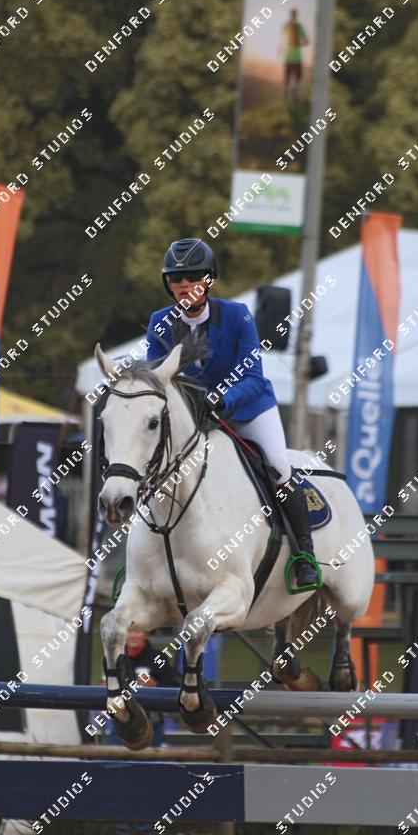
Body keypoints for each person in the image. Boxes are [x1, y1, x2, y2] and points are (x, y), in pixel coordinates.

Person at [146, 237, 320, 589]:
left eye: (193, 278)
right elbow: (155, 378)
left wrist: (222, 400)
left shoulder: (237, 315)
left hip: (248, 410)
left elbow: (252, 376)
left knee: (278, 467)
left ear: (208, 280)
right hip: (196, 417)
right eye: (176, 279)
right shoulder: (160, 322)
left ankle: (305, 556)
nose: (184, 285)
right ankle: (150, 561)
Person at [106, 629, 179, 748]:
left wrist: (155, 685)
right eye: (129, 632)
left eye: (137, 631)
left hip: (152, 723)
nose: (133, 636)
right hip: (121, 722)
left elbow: (174, 689)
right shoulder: (115, 658)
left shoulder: (157, 658)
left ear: (145, 634)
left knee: (150, 759)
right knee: (112, 757)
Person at [281, 8, 309, 103]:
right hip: (296, 58)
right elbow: (306, 42)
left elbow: (281, 36)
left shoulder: (287, 26)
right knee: (296, 79)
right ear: (296, 16)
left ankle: (288, 97)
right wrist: (298, 43)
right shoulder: (298, 27)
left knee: (288, 79)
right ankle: (294, 97)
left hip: (289, 57)